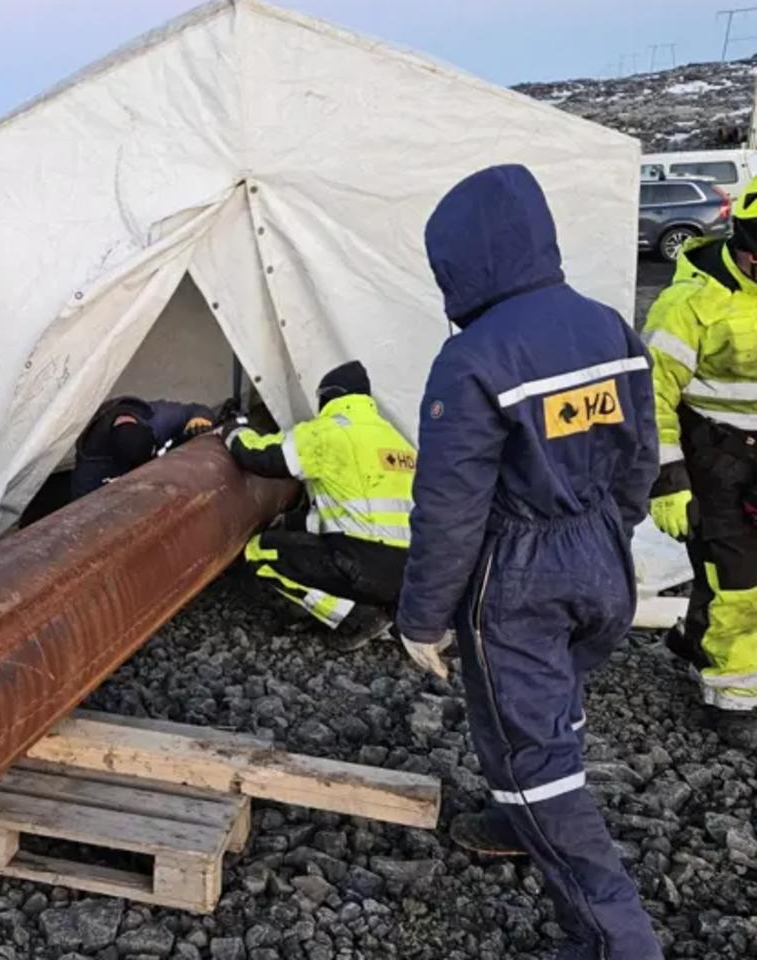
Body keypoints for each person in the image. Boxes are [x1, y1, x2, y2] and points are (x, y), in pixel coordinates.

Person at [399, 164, 661, 960]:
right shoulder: (609, 325)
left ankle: (618, 939)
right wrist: (606, 533)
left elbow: (450, 507)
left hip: (520, 574)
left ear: (462, 261)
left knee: (528, 749)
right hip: (600, 557)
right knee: (557, 696)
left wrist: (421, 617)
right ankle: (517, 824)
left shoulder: (473, 359)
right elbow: (640, 458)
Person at [642, 176, 757, 748]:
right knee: (738, 580)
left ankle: (696, 638)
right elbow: (650, 394)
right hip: (714, 455)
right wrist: (668, 480)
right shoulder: (690, 304)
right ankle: (730, 697)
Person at [226, 361, 415, 650]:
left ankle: (355, 617)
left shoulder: (329, 432)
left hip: (361, 565)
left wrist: (233, 431)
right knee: (344, 553)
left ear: (328, 397)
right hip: (409, 571)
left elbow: (261, 457)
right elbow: (360, 514)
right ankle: (390, 612)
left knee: (260, 551)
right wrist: (294, 522)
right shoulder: (397, 439)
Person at [68, 396, 217, 499]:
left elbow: (195, 410)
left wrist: (200, 419)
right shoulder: (90, 467)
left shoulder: (157, 419)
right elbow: (78, 512)